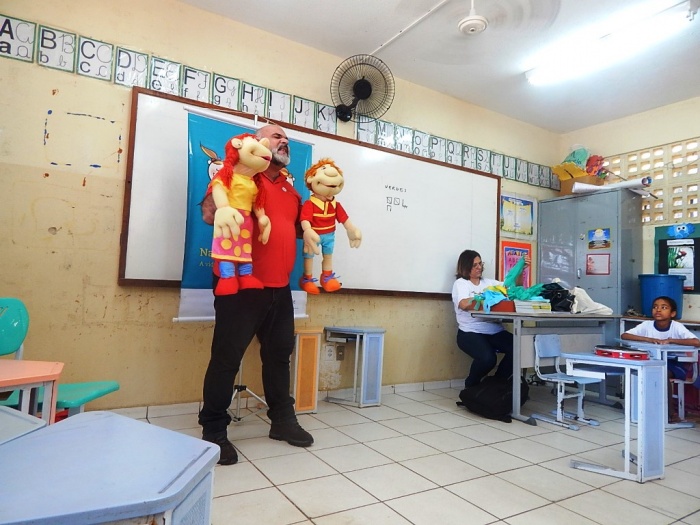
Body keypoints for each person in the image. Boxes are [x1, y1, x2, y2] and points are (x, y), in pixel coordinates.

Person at [198, 123, 313, 465]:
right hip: (240, 285)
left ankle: (282, 420)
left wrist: (317, 224)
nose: (284, 141)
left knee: (279, 357)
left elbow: (292, 229)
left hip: (280, 287)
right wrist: (224, 196)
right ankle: (214, 430)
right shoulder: (241, 175)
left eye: (287, 139)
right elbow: (209, 214)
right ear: (255, 143)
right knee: (226, 359)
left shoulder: (290, 189)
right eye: (277, 136)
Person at [621, 295, 700, 422]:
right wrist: (649, 339)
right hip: (652, 361)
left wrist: (671, 340)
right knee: (638, 371)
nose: (658, 310)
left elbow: (696, 342)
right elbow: (625, 335)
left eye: (664, 307)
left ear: (672, 313)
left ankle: (670, 414)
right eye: (655, 307)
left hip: (674, 365)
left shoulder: (676, 327)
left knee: (662, 373)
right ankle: (640, 409)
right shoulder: (647, 325)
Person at [452, 249, 522, 388]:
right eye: (475, 265)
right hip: (470, 332)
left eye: (480, 264)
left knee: (519, 348)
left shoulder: (489, 283)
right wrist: (483, 298)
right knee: (488, 359)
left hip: (495, 331)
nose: (479, 267)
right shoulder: (461, 283)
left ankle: (498, 383)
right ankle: (471, 385)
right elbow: (463, 304)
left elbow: (513, 287)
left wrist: (520, 270)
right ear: (466, 267)